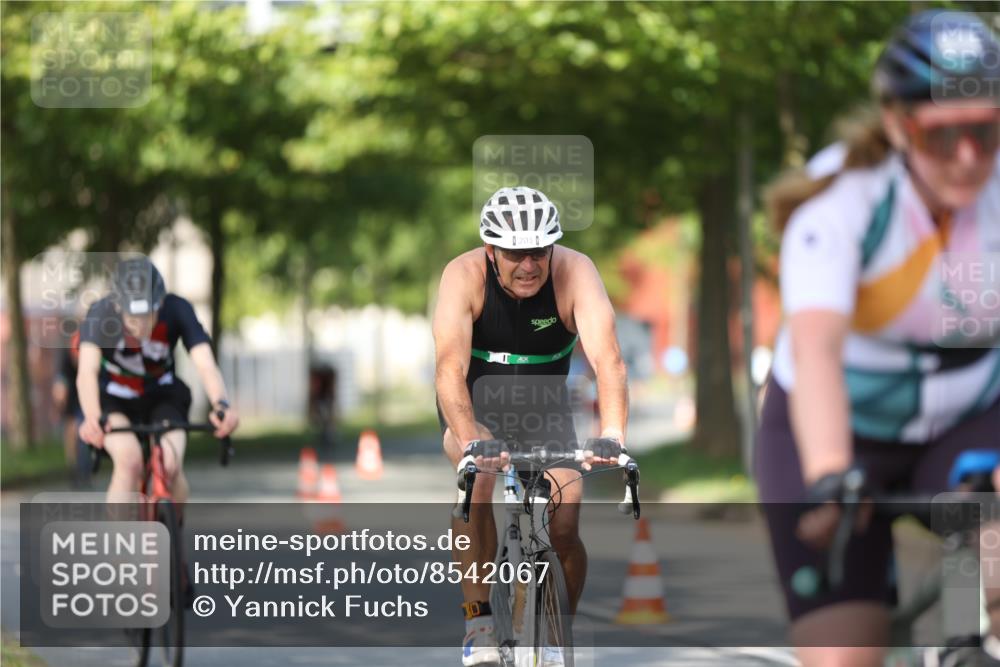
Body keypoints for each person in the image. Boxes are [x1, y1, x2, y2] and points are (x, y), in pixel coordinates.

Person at [759, 10, 1000, 666]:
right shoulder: (844, 204)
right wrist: (831, 474)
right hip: (838, 427)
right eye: (942, 136)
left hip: (970, 416)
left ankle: (968, 632)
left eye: (987, 129)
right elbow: (816, 352)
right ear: (897, 123)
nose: (969, 157)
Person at [433, 186, 629, 666]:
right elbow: (448, 369)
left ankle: (559, 630)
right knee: (476, 480)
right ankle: (478, 621)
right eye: (515, 253)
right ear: (491, 251)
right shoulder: (463, 276)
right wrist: (472, 438)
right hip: (473, 403)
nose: (528, 264)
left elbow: (609, 360)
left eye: (539, 251)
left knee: (565, 518)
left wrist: (613, 433)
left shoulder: (575, 272)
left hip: (543, 408)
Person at [77, 256, 239, 505]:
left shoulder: (177, 309)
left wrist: (221, 405)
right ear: (118, 308)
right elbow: (86, 371)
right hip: (115, 398)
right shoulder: (100, 312)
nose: (140, 327)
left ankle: (171, 530)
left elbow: (205, 364)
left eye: (148, 317)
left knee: (170, 464)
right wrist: (91, 417)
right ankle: (118, 542)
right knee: (129, 462)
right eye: (132, 319)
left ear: (160, 304)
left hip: (163, 394)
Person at [52, 330, 89, 487]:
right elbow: (60, 388)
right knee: (71, 433)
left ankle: (85, 469)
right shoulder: (65, 360)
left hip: (87, 396)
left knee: (84, 433)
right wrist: (58, 409)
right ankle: (73, 468)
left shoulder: (91, 358)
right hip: (71, 398)